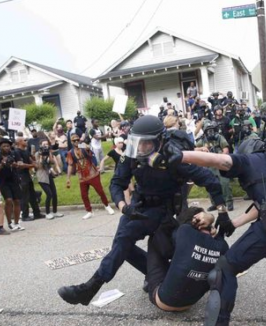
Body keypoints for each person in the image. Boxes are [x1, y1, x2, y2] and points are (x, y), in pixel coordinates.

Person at [57, 115, 229, 306]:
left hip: (163, 208)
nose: (140, 148)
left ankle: (90, 287)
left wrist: (222, 212)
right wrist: (124, 208)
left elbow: (210, 180)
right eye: (136, 142)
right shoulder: (131, 155)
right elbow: (116, 183)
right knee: (122, 247)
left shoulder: (174, 157)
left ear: (159, 141)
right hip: (137, 205)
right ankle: (154, 272)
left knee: (125, 238)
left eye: (145, 144)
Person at [163, 131, 266, 326]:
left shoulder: (248, 161)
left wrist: (182, 155)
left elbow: (218, 160)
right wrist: (233, 223)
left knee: (223, 270)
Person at [146, 206, 228, 311]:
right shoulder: (223, 246)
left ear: (194, 220)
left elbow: (168, 238)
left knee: (154, 239)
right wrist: (211, 217)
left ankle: (149, 280)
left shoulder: (185, 231)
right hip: (190, 303)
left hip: (162, 299)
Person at [66, 134, 115, 220]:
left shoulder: (84, 147)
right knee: (84, 195)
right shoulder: (70, 153)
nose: (76, 142)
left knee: (100, 191)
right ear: (71, 142)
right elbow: (70, 165)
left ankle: (107, 206)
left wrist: (87, 148)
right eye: (74, 141)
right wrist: (68, 178)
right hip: (82, 176)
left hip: (93, 174)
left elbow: (91, 154)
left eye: (78, 140)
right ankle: (89, 211)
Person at [196, 120, 234, 211]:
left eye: (212, 130)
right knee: (210, 184)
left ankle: (228, 202)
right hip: (209, 165)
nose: (210, 132)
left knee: (225, 183)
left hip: (220, 163)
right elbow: (194, 149)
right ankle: (215, 203)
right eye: (208, 130)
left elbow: (226, 149)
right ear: (205, 131)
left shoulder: (219, 138)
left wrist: (221, 157)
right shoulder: (202, 140)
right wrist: (201, 149)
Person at [14, 137, 45, 221]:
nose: (26, 141)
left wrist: (34, 161)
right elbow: (20, 165)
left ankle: (37, 213)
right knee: (25, 196)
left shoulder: (26, 151)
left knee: (32, 195)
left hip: (27, 175)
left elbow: (30, 160)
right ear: (19, 142)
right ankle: (25, 215)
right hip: (21, 176)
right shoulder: (17, 152)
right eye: (24, 140)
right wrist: (32, 165)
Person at [35, 139, 64, 220]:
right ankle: (47, 213)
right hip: (42, 177)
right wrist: (41, 156)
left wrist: (49, 154)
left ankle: (55, 211)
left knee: (54, 194)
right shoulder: (37, 153)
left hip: (49, 175)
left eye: (47, 144)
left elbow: (51, 162)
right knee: (49, 194)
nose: (45, 146)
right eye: (44, 144)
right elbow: (39, 166)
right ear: (40, 145)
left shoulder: (49, 153)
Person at [0, 138, 24, 231]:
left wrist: (16, 164)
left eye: (8, 146)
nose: (6, 148)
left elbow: (20, 163)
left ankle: (17, 223)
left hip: (14, 179)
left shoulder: (14, 153)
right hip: (3, 181)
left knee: (17, 201)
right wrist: (2, 163)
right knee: (9, 200)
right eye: (4, 146)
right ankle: (9, 222)